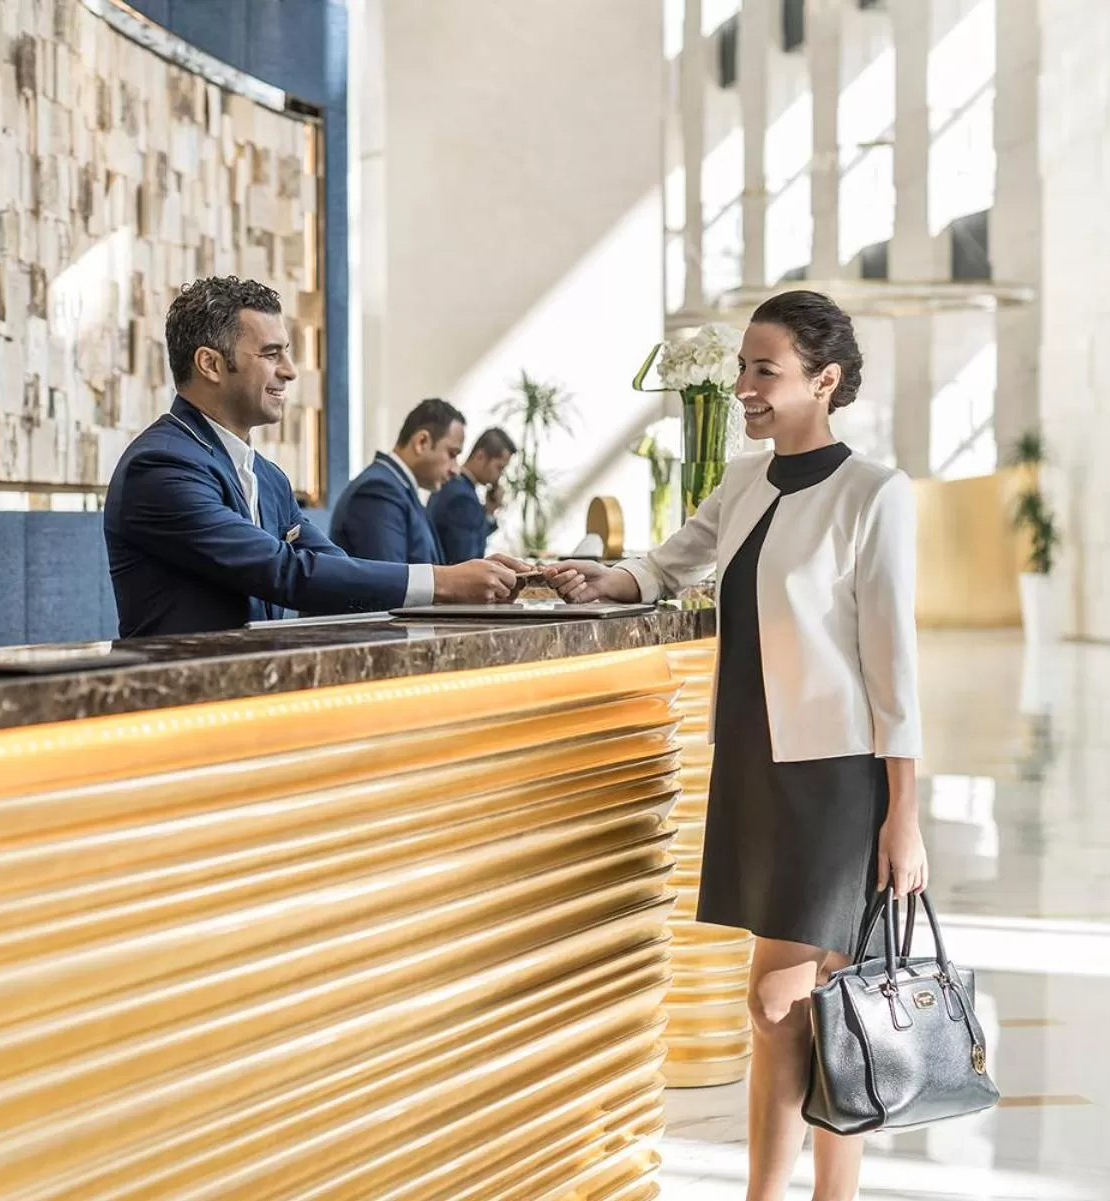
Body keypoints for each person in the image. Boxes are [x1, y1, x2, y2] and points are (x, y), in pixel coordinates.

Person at [543, 290, 925, 1201]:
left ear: (823, 381)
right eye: (743, 367)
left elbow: (895, 666)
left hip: (835, 776)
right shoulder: (747, 479)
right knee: (801, 1007)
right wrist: (603, 578)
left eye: (766, 369)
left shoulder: (874, 493)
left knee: (785, 997)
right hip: (756, 766)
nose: (744, 386)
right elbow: (672, 560)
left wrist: (903, 814)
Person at [105, 277, 517, 637]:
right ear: (210, 364)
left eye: (286, 352)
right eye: (271, 354)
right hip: (180, 707)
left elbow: (334, 568)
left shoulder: (269, 478)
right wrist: (444, 582)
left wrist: (471, 582)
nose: (290, 370)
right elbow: (285, 571)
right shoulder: (160, 467)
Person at [327, 398, 466, 564]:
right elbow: (388, 584)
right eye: (452, 454)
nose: (455, 470)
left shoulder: (398, 488)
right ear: (421, 442)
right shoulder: (378, 491)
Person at [427, 426, 516, 563]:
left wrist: (489, 512)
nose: (500, 475)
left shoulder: (454, 486)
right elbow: (469, 559)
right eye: (499, 467)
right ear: (480, 456)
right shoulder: (463, 498)